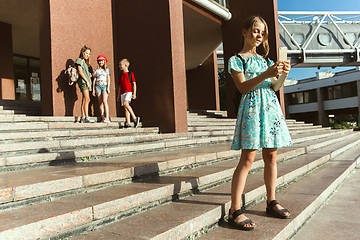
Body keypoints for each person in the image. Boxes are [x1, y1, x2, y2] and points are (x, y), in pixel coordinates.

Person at [227, 16, 293, 231]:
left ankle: (271, 201)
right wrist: (267, 73)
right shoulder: (236, 59)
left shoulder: (265, 60)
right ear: (244, 31)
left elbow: (274, 87)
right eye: (255, 31)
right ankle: (235, 209)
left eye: (262, 33)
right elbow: (243, 87)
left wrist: (282, 75)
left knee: (271, 155)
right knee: (248, 158)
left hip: (270, 108)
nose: (259, 35)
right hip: (252, 109)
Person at [116, 58, 140, 128]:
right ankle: (128, 123)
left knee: (126, 104)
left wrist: (134, 93)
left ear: (125, 65)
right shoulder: (121, 76)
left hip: (129, 91)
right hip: (122, 93)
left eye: (121, 65)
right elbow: (120, 86)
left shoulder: (130, 74)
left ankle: (135, 118)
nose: (119, 66)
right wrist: (118, 96)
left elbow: (134, 84)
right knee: (125, 108)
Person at [75, 45, 95, 123]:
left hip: (85, 81)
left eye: (89, 54)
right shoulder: (79, 60)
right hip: (83, 82)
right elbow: (80, 71)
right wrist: (87, 81)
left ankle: (83, 117)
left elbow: (83, 71)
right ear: (83, 52)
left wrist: (89, 74)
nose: (88, 55)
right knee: (87, 99)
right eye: (86, 53)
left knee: (84, 99)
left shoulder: (84, 62)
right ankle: (86, 117)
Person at [93, 54, 111, 123]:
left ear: (104, 61)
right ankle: (103, 117)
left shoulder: (107, 70)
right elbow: (94, 80)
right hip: (98, 85)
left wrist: (108, 88)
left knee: (104, 101)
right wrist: (93, 89)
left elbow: (108, 79)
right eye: (99, 61)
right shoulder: (96, 70)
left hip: (104, 85)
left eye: (102, 61)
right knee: (100, 103)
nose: (101, 62)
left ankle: (107, 117)